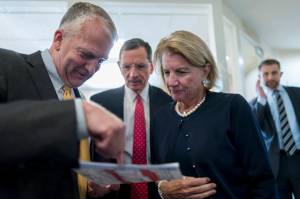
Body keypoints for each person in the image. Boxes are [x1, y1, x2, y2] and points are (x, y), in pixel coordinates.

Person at [0, 2, 125, 199]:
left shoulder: (78, 97)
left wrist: (88, 184)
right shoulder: (7, 66)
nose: (92, 69)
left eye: (100, 61)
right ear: (58, 39)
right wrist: (79, 115)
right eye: (86, 54)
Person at [151, 30, 277, 199]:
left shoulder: (233, 107)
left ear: (206, 71)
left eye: (181, 72)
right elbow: (157, 173)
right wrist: (162, 188)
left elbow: (262, 179)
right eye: (167, 72)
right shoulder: (160, 118)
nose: (171, 82)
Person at [89, 38, 172, 198]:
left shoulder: (169, 103)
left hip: (158, 189)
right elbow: (95, 153)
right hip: (113, 190)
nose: (133, 74)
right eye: (126, 67)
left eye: (140, 66)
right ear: (119, 67)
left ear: (151, 67)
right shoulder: (99, 103)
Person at [250, 59, 300, 199]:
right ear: (260, 77)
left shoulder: (297, 93)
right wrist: (262, 99)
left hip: (298, 156)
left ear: (281, 73)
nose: (270, 77)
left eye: (274, 73)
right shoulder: (256, 104)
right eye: (265, 74)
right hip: (277, 164)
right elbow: (255, 128)